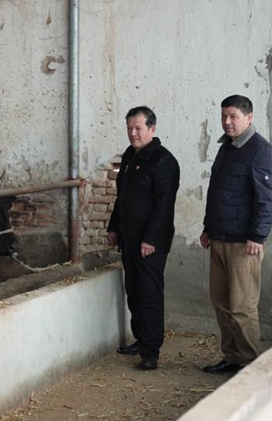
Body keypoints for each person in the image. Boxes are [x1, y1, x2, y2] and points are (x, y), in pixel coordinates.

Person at [200, 94, 272, 375]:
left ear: (249, 117)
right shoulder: (227, 148)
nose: (227, 122)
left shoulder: (261, 151)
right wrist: (208, 228)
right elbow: (217, 193)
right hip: (220, 237)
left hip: (244, 245)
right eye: (224, 116)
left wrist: (257, 236)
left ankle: (248, 365)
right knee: (221, 303)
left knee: (242, 306)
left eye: (233, 116)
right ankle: (232, 356)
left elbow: (267, 199)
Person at [107, 106, 180, 371]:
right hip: (129, 238)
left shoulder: (163, 161)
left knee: (149, 293)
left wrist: (151, 239)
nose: (133, 133)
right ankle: (140, 339)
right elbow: (122, 197)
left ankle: (151, 351)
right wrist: (114, 227)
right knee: (134, 292)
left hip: (150, 243)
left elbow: (164, 205)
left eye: (138, 128)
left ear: (152, 128)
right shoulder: (129, 156)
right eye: (129, 128)